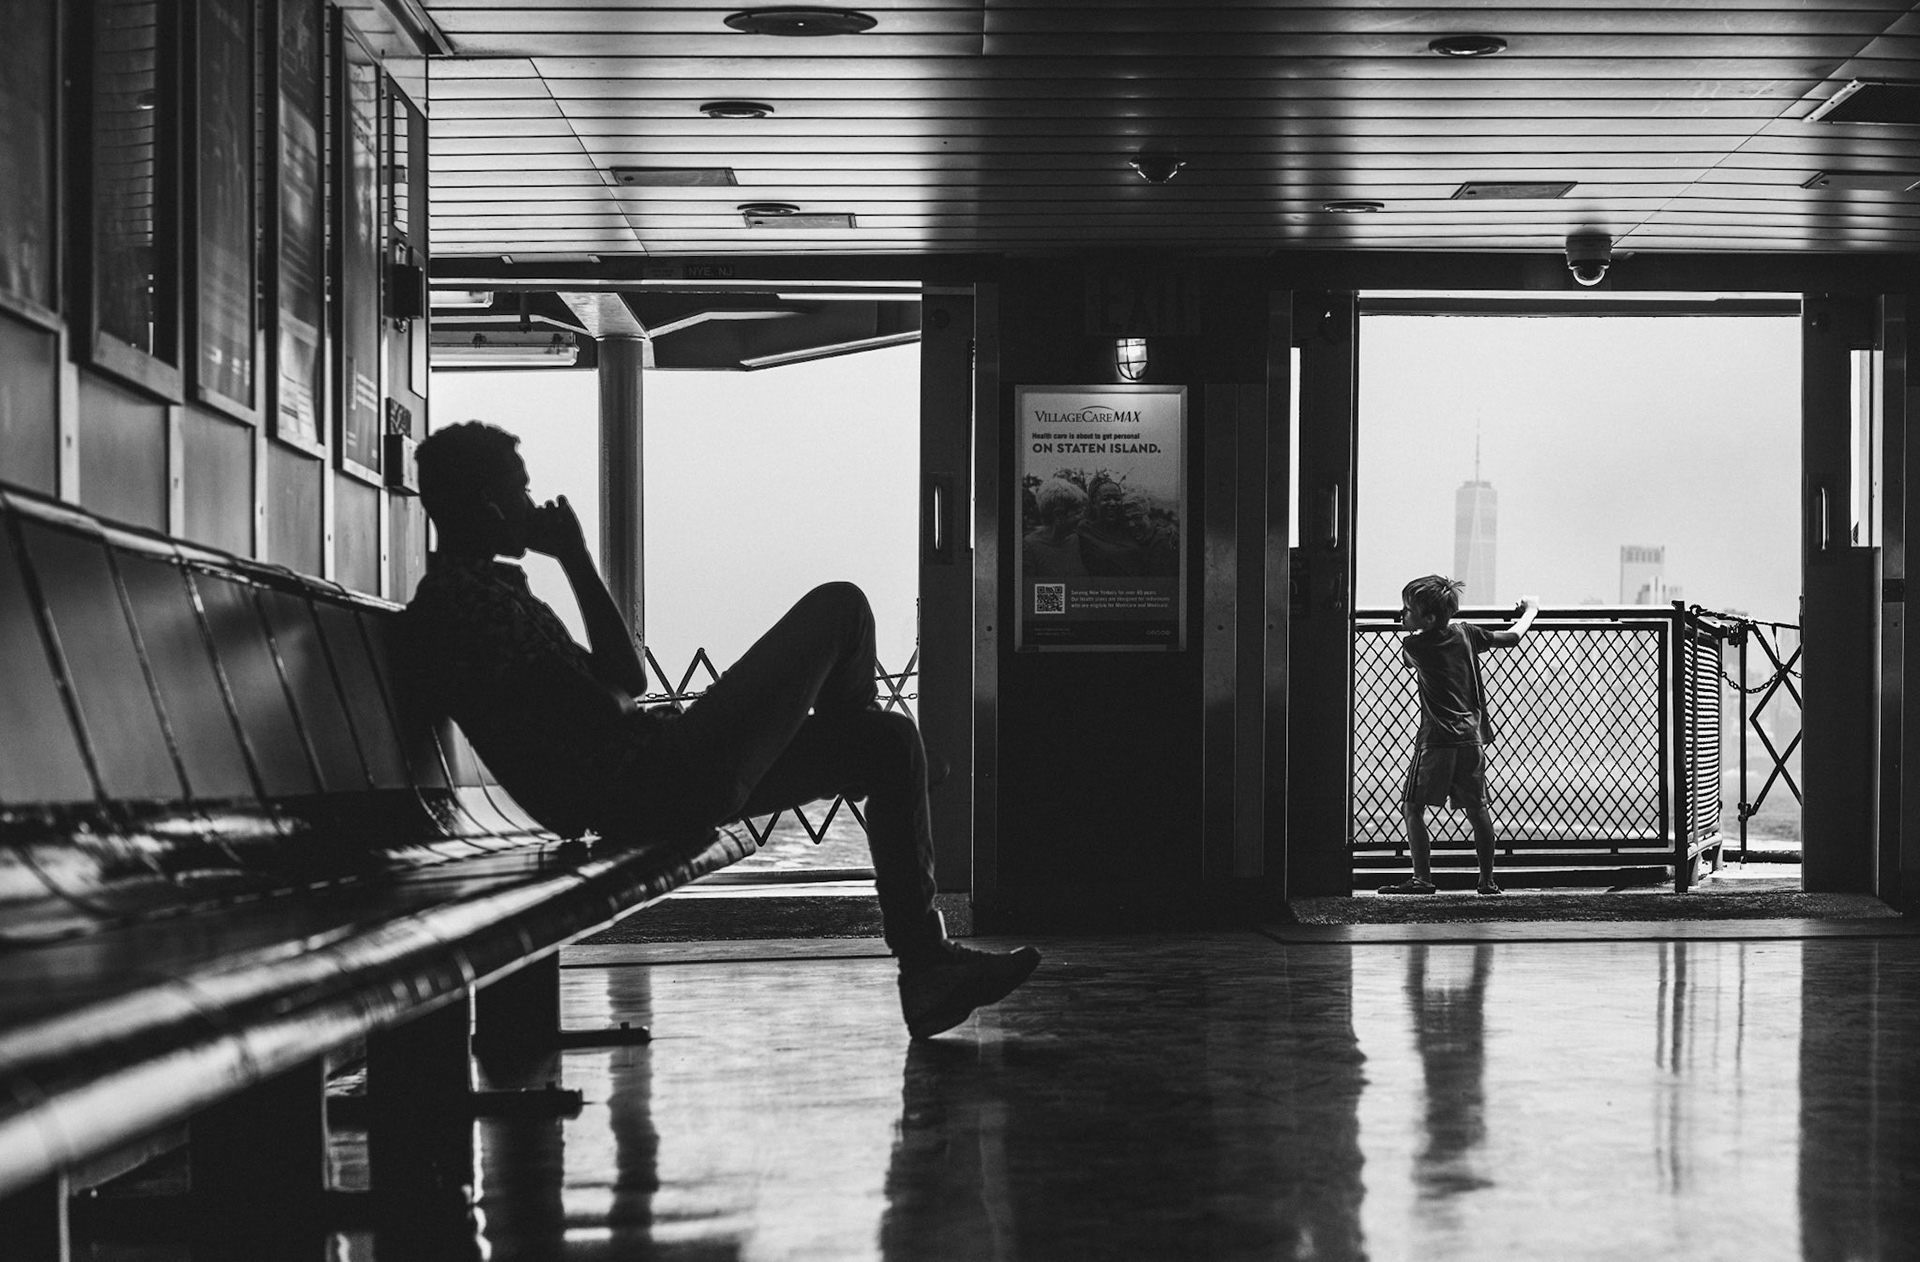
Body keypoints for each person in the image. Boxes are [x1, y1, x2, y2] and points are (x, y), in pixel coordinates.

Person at [405, 421, 1039, 1038]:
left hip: (653, 774)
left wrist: (575, 563)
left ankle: (925, 964)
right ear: (488, 504)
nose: (533, 501)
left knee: (888, 744)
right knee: (841, 606)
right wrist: (574, 559)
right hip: (653, 780)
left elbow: (620, 682)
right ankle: (886, 765)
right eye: (519, 487)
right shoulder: (469, 605)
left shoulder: (487, 592)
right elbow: (612, 703)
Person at [1379, 576, 1538, 897]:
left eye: (1407, 610)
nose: (1402, 615)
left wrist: (1409, 628)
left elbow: (1410, 658)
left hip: (1436, 739)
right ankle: (1487, 881)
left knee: (1412, 807)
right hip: (1471, 737)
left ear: (1429, 618)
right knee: (1477, 809)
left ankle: (1422, 879)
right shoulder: (1467, 633)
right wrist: (1531, 610)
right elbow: (1512, 637)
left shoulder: (1415, 645)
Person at [1076, 476, 1145, 576]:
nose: (1113, 503)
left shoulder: (1128, 525)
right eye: (1106, 498)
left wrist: (1167, 531)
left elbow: (1151, 532)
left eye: (1117, 499)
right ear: (1094, 503)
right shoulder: (1084, 530)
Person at [1022, 478, 1089, 577]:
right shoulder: (1029, 548)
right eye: (1078, 512)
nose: (1082, 516)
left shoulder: (1078, 540)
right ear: (1059, 515)